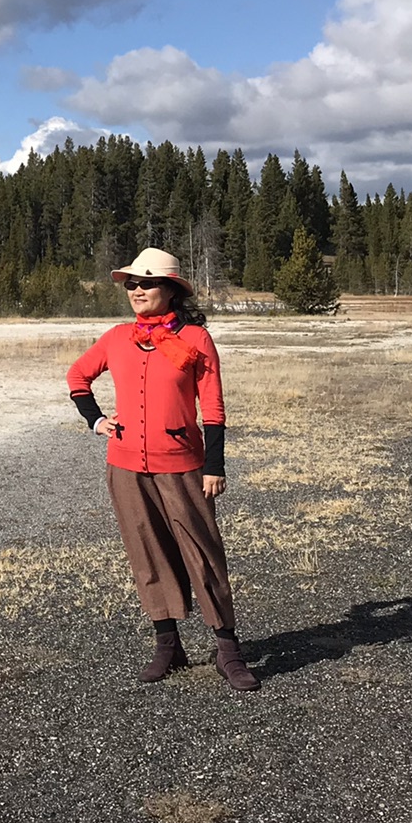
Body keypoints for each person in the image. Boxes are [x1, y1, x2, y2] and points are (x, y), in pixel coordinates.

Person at [65, 248, 258, 692]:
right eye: (131, 283)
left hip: (184, 467)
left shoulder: (195, 340)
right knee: (146, 553)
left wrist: (214, 465)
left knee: (203, 554)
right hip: (125, 467)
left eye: (146, 283)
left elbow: (212, 407)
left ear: (171, 290)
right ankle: (167, 645)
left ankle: (228, 650)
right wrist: (96, 419)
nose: (136, 290)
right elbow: (77, 377)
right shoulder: (116, 338)